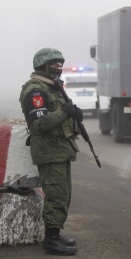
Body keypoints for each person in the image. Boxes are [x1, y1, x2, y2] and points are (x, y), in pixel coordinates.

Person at [19, 48, 83, 256]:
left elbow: (59, 117)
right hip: (49, 151)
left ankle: (55, 234)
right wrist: (64, 112)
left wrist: (73, 114)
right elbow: (39, 123)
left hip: (61, 150)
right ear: (43, 66)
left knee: (63, 195)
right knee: (56, 195)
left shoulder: (54, 88)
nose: (59, 68)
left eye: (60, 64)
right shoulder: (36, 90)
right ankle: (51, 240)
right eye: (54, 64)